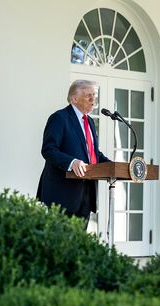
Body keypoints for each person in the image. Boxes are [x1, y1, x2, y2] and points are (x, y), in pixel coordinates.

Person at [36, 79, 110, 225]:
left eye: (94, 95)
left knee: (79, 239)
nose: (93, 100)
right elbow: (48, 149)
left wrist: (113, 166)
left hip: (86, 195)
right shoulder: (60, 118)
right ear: (74, 99)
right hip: (61, 195)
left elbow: (93, 154)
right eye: (88, 95)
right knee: (59, 239)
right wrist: (72, 162)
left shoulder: (90, 122)